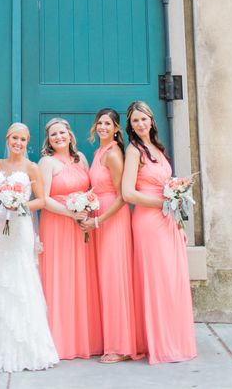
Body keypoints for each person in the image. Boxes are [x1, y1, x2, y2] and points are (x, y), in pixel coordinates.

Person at [0, 123, 59, 373]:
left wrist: (19, 206)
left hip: (20, 227)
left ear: (27, 142)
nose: (18, 143)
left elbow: (41, 199)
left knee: (21, 276)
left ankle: (27, 346)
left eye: (23, 139)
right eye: (14, 138)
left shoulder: (31, 167)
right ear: (7, 139)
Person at [122, 100, 197, 364]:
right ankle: (160, 344)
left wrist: (178, 223)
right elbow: (128, 193)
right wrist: (163, 203)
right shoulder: (134, 151)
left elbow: (168, 188)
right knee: (158, 280)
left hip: (168, 220)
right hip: (148, 222)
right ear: (130, 126)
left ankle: (176, 340)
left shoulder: (158, 148)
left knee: (172, 279)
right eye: (135, 121)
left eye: (144, 119)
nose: (141, 124)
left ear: (152, 120)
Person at [38, 117, 102, 359]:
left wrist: (86, 210)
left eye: (62, 133)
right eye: (53, 134)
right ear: (49, 140)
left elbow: (89, 191)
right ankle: (59, 340)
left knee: (80, 276)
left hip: (80, 226)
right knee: (59, 276)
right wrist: (70, 213)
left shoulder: (81, 159)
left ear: (70, 135)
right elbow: (44, 198)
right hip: (57, 224)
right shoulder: (47, 162)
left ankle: (84, 338)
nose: (59, 137)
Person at [84, 108, 139, 363]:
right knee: (104, 279)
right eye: (100, 123)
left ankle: (120, 345)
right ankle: (108, 339)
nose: (103, 127)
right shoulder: (99, 153)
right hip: (100, 217)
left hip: (112, 220)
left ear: (117, 128)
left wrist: (99, 220)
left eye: (108, 123)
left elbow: (123, 196)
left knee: (114, 278)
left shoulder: (115, 154)